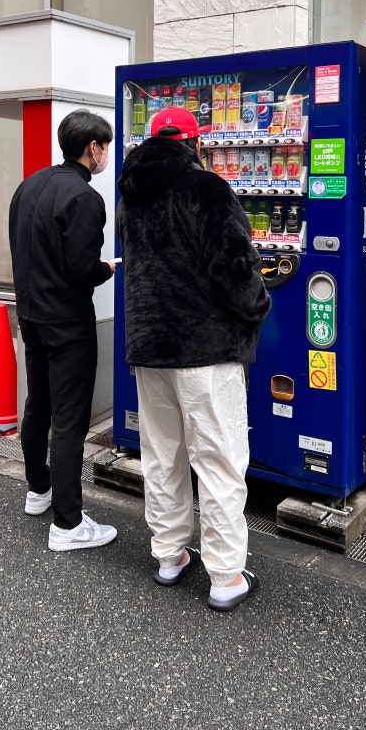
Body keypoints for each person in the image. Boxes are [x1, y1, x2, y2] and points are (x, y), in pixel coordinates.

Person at [116, 105, 271, 611]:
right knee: (219, 459)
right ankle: (225, 576)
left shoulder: (130, 193)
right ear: (195, 143)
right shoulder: (206, 188)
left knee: (163, 455)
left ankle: (168, 555)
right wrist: (257, 308)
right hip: (204, 348)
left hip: (149, 346)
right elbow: (233, 265)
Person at [9, 109, 117, 552]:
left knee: (39, 405)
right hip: (68, 323)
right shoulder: (85, 199)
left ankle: (40, 490)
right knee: (70, 420)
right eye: (105, 146)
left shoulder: (28, 185)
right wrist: (106, 268)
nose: (107, 153)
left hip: (31, 317)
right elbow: (82, 270)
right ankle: (69, 524)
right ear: (93, 148)